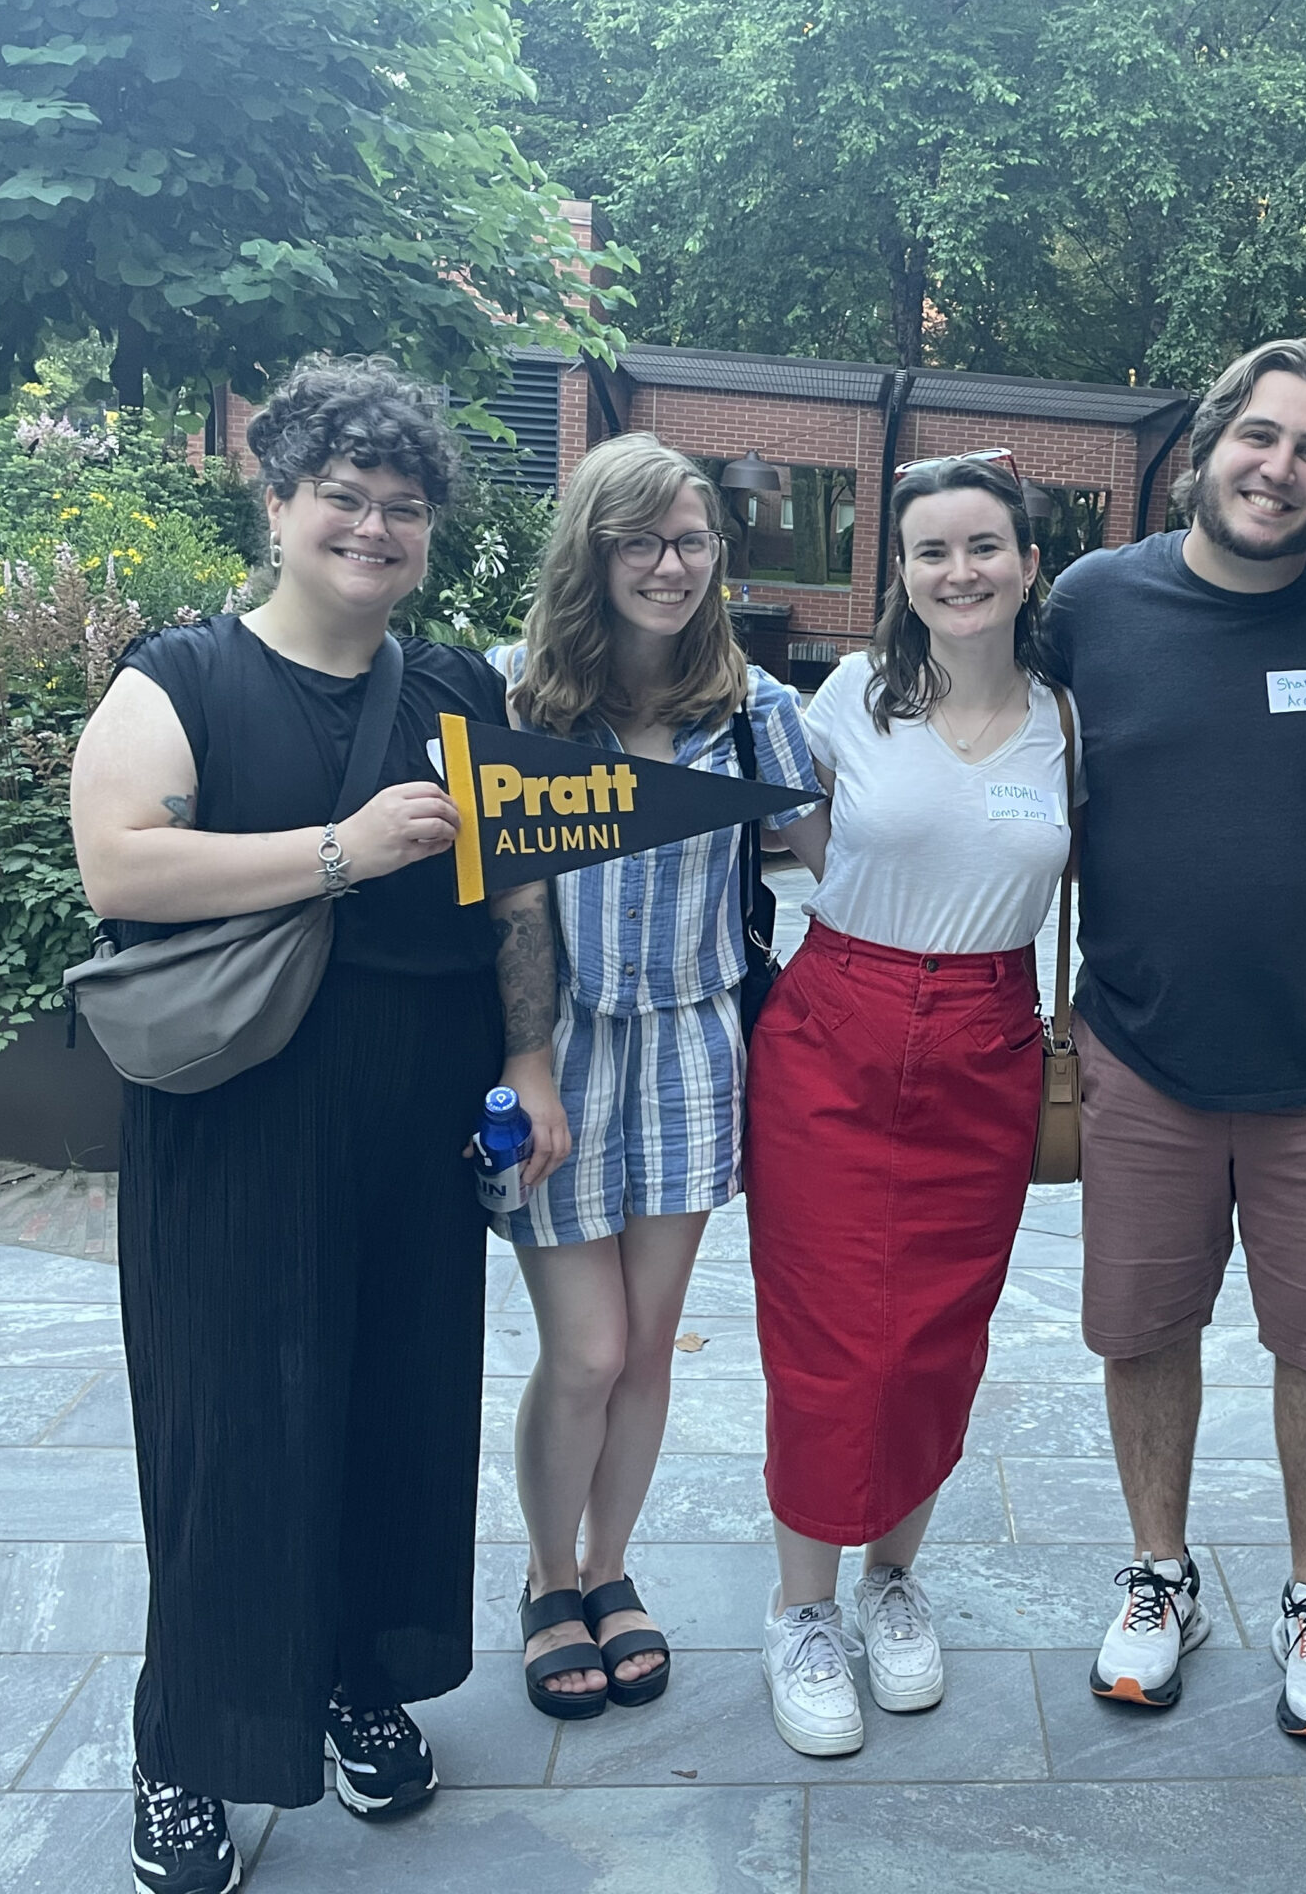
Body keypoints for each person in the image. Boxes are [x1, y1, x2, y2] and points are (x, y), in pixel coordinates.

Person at [68, 355, 571, 1893]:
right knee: (234, 1432)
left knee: (392, 1409)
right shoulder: (185, 675)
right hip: (241, 1116)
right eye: (342, 498)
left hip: (422, 1114)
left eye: (402, 508)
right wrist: (340, 852)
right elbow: (122, 866)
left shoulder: (459, 690)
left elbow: (516, 891)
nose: (371, 527)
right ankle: (190, 1747)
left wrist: (534, 1065)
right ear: (276, 501)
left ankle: (355, 1679)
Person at [1042, 339, 1306, 1741]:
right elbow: (955, 695)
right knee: (1145, 1328)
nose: (1280, 467)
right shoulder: (1090, 603)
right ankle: (1160, 1576)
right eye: (1259, 436)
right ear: (1202, 447)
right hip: (1144, 1049)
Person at [744, 452, 1079, 1756]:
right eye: (931, 551)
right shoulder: (848, 700)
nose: (959, 571)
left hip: (988, 1046)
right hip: (838, 1030)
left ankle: (892, 1579)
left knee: (938, 1335)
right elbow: (800, 846)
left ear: (1027, 564)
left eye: (983, 546)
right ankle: (801, 1608)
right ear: (902, 573)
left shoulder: (1066, 718)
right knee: (829, 1338)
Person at [496, 433, 826, 1720]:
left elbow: (846, 852)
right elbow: (500, 898)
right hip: (562, 1052)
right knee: (583, 1350)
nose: (670, 565)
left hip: (695, 1051)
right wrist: (523, 1064)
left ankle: (611, 1571)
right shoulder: (519, 699)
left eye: (690, 541)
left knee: (644, 1352)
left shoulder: (756, 712)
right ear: (592, 550)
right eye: (639, 540)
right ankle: (543, 1578)